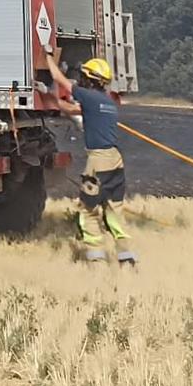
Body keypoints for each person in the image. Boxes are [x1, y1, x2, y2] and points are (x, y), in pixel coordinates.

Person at [42, 46, 135, 265]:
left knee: (89, 210)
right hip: (115, 161)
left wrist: (47, 57)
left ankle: (96, 261)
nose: (81, 79)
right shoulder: (107, 102)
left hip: (99, 161)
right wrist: (50, 98)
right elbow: (71, 110)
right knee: (114, 208)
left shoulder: (87, 95)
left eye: (83, 76)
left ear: (90, 79)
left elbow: (60, 79)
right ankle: (126, 257)